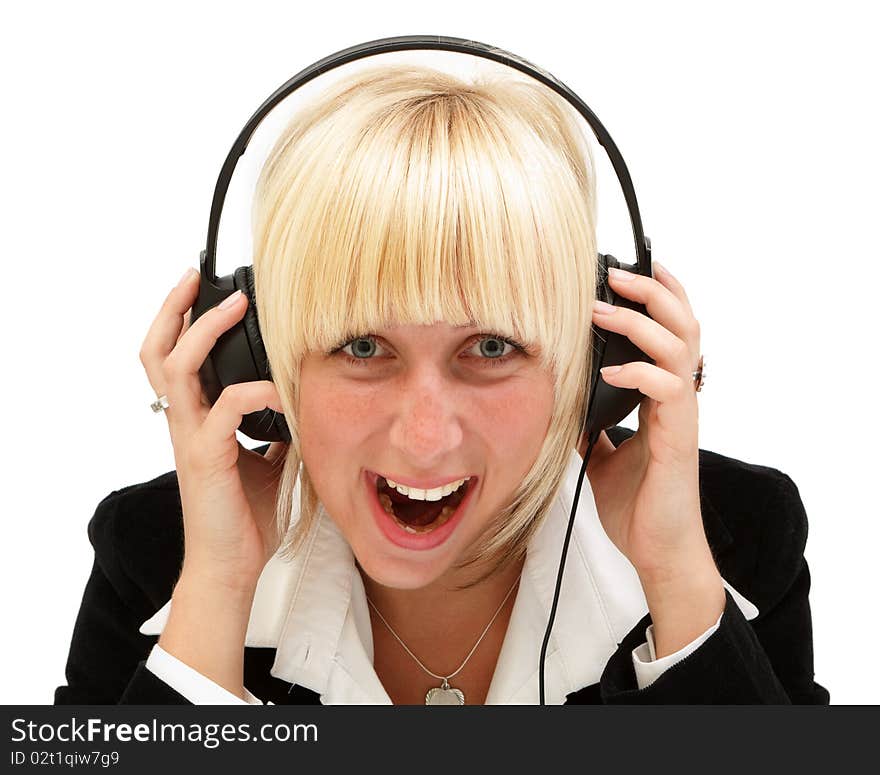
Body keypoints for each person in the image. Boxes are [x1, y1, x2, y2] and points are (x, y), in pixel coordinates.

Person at [55, 61, 829, 705]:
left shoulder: (739, 538)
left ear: (591, 367)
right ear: (256, 363)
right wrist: (218, 587)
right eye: (363, 345)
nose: (425, 436)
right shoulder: (155, 555)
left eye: (490, 346)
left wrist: (678, 579)